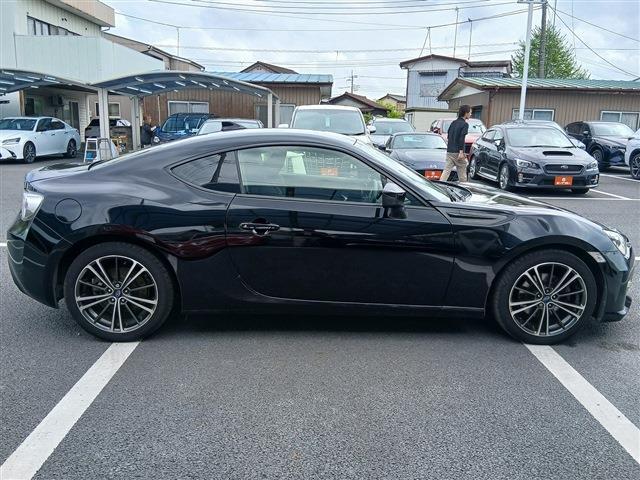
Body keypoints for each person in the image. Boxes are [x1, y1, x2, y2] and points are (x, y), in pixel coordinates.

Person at [440, 105, 471, 182]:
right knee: (462, 171)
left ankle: (440, 184)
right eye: (470, 112)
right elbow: (461, 138)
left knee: (446, 170)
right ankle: (463, 186)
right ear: (466, 113)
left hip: (450, 151)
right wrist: (461, 152)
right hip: (458, 152)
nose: (471, 114)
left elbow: (449, 136)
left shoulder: (453, 123)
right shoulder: (465, 124)